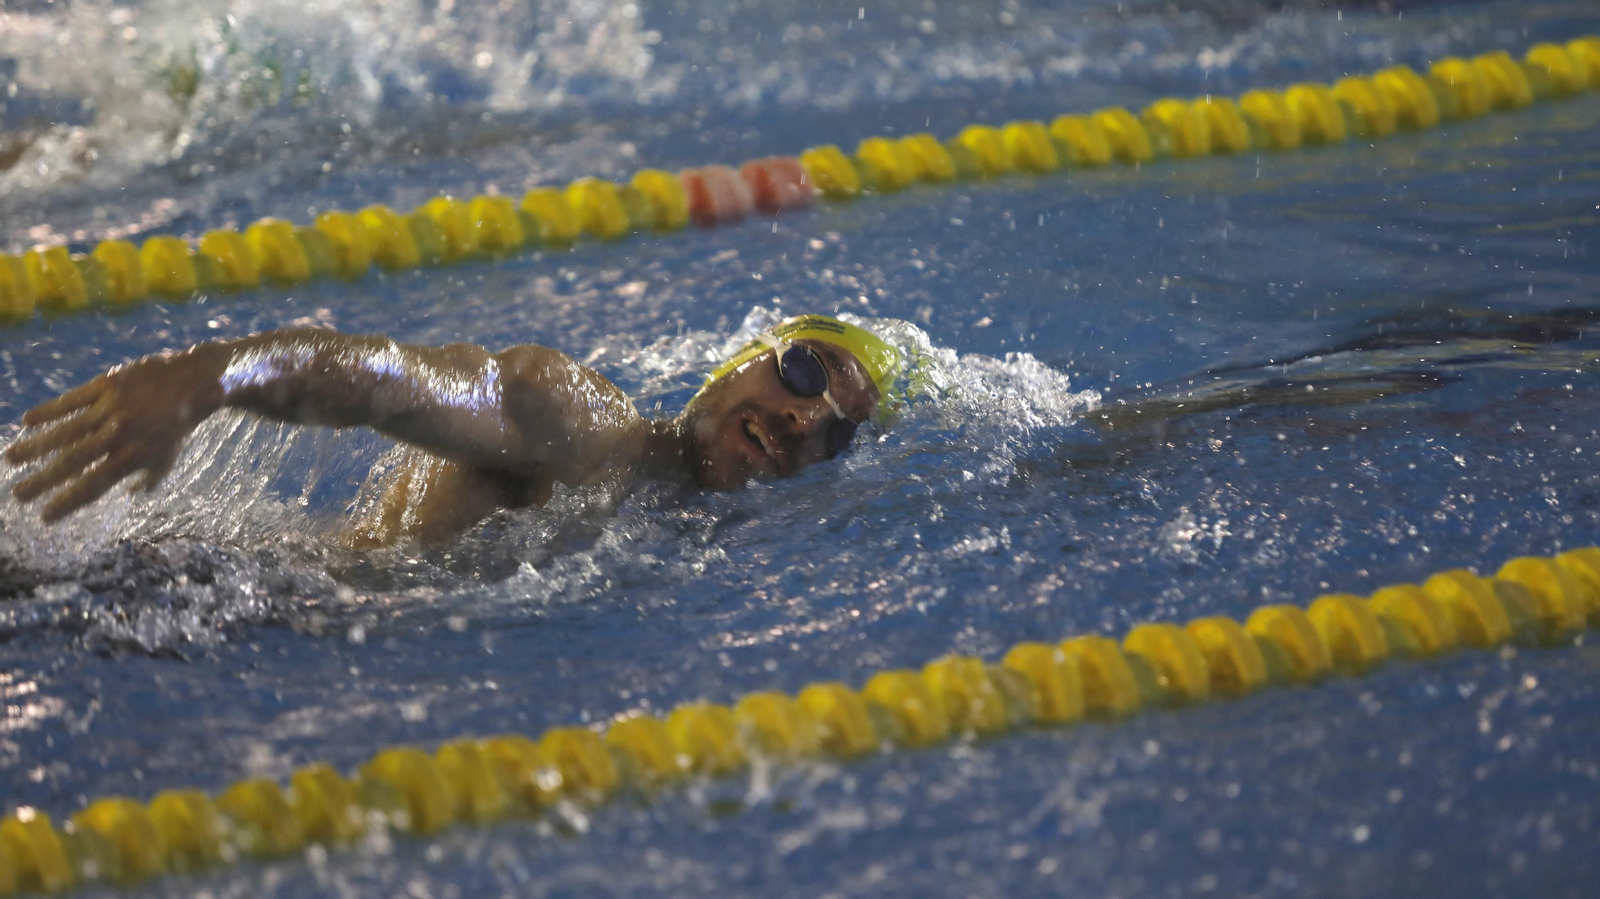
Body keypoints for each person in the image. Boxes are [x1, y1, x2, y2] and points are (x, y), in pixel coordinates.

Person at [3, 314, 900, 546]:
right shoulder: (589, 428)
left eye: (835, 431)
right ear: (738, 364)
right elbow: (393, 381)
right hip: (215, 600)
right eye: (802, 371)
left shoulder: (691, 527)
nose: (801, 415)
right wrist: (206, 377)